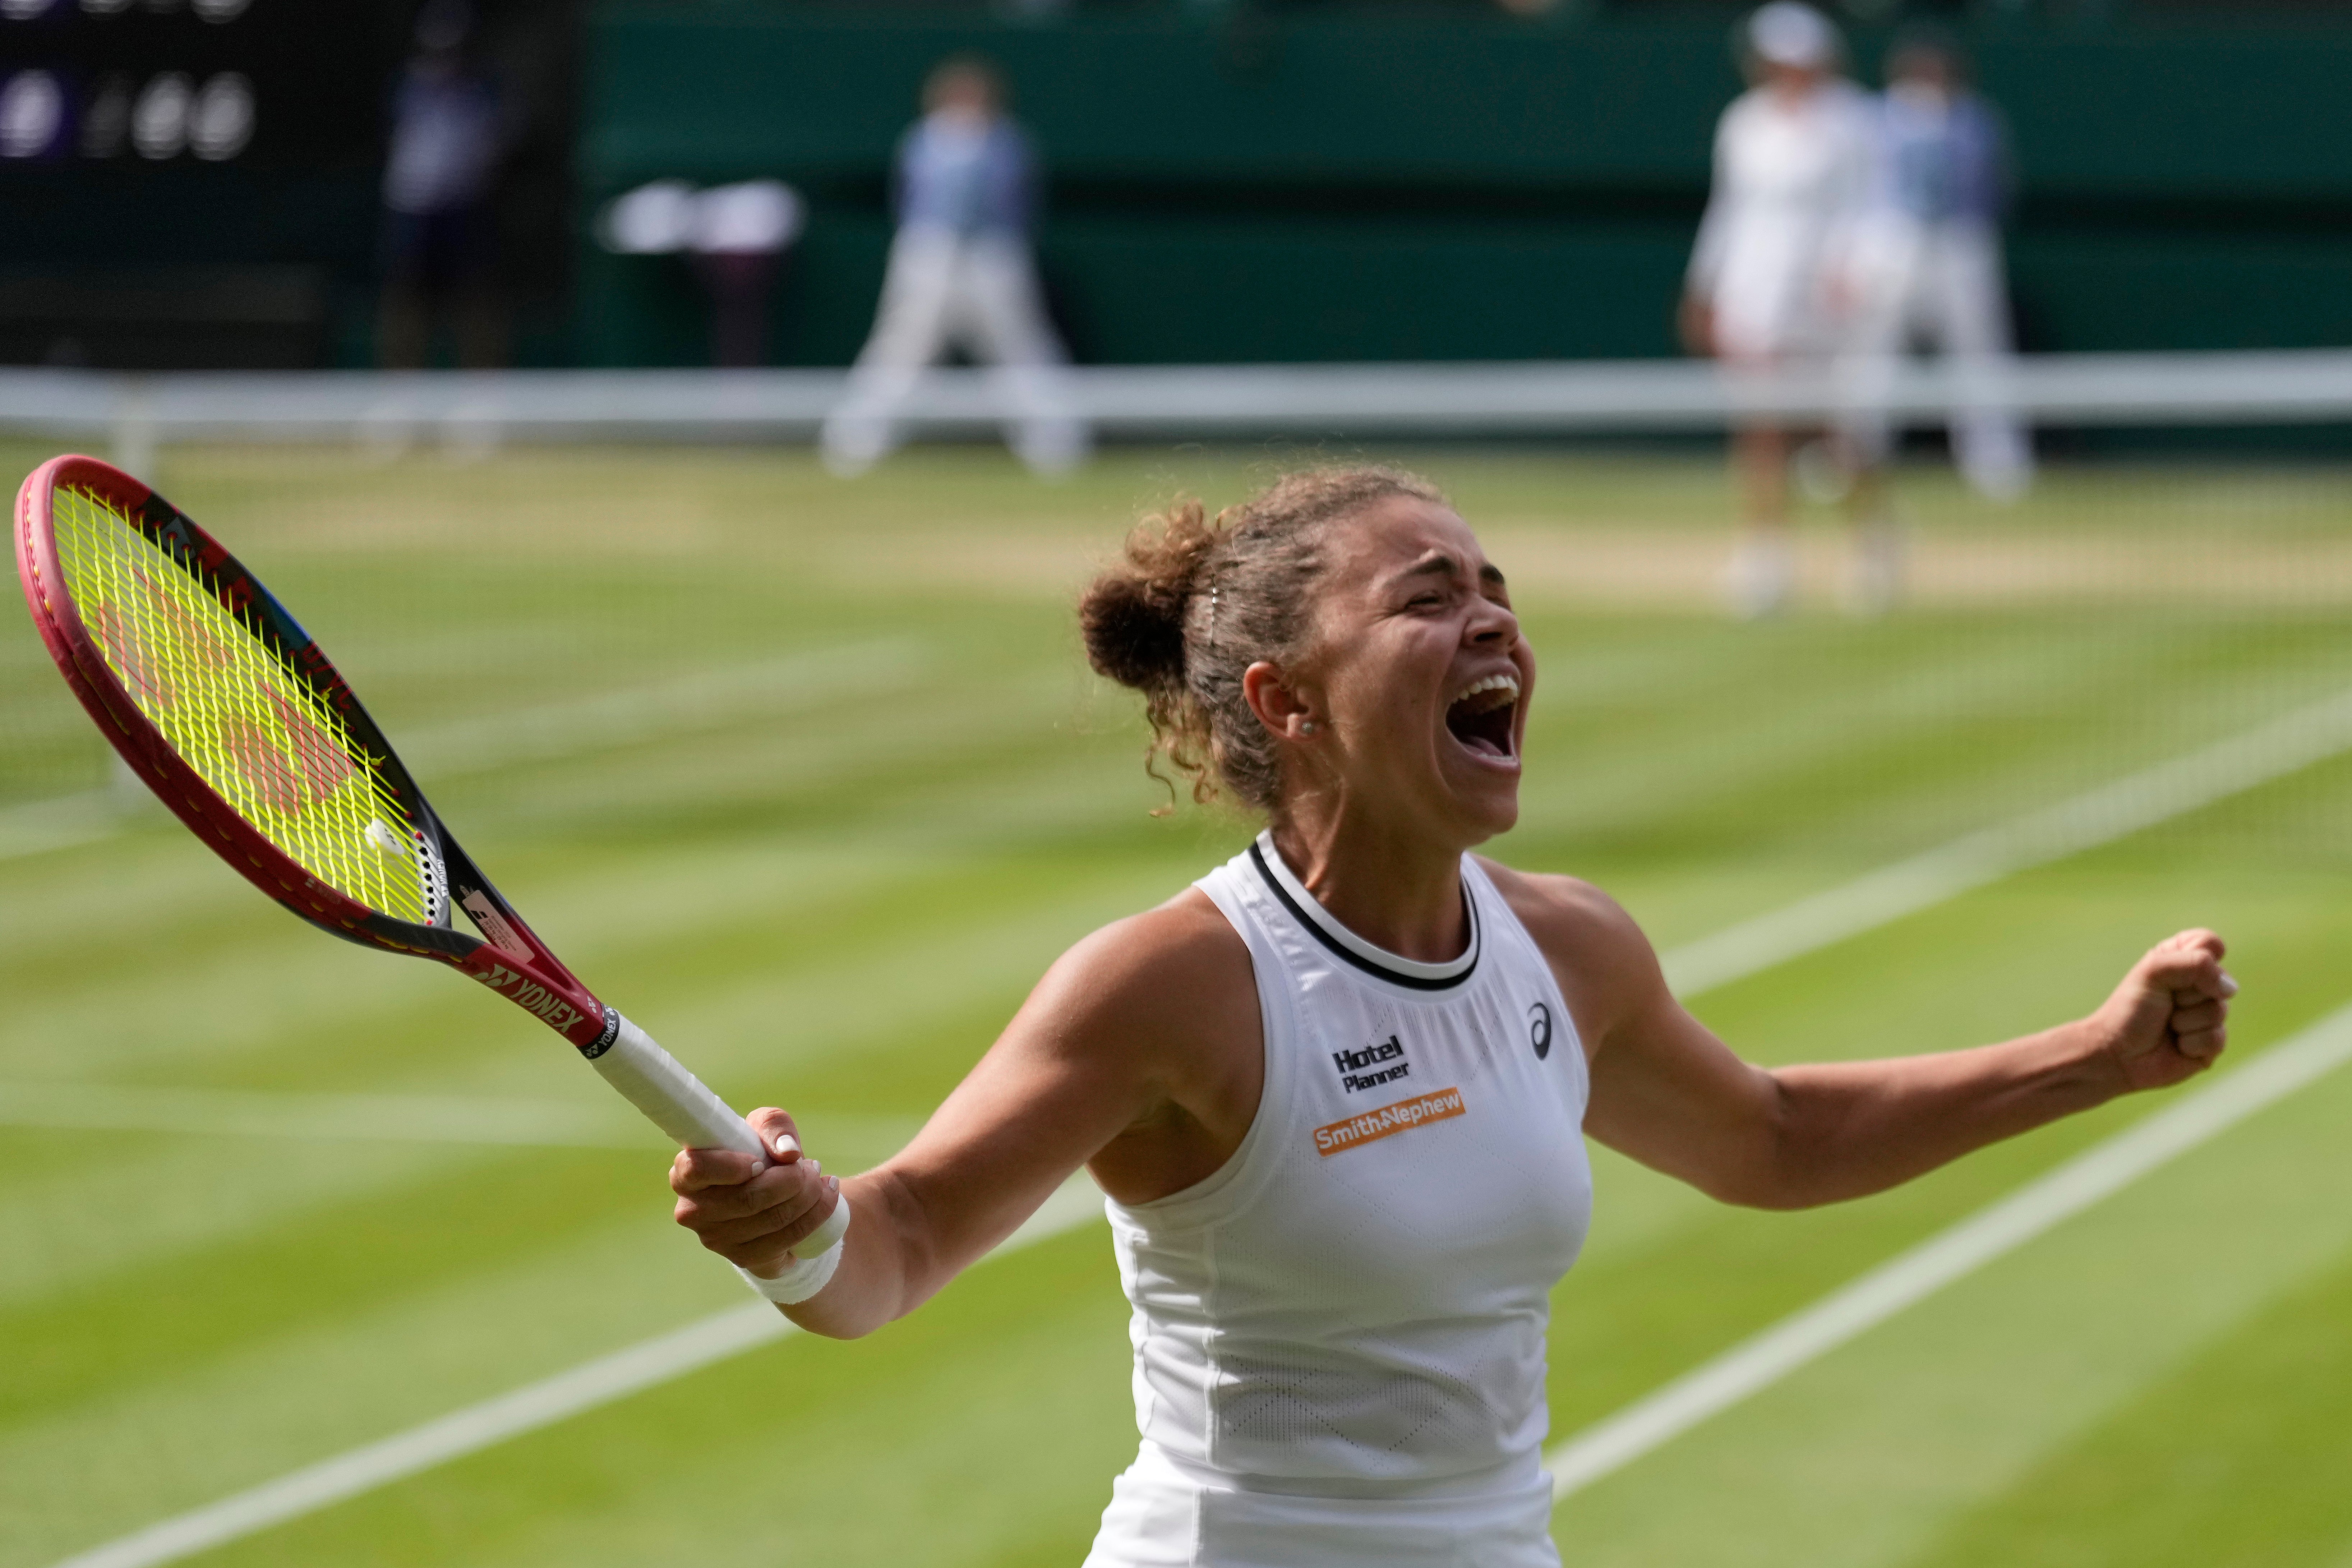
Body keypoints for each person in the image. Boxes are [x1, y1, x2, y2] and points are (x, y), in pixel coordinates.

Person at [668, 466, 2236, 1567]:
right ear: (1286, 700)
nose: (1493, 621)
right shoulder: (1173, 982)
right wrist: (796, 1226)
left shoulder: (1566, 947)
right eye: (1430, 599)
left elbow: (1773, 1135)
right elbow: (898, 1248)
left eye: (1497, 590)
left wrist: (2092, 1056)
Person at [1680, 3, 1880, 617]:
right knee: (1759, 427)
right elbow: (1729, 211)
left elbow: (1869, 207)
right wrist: (1704, 286)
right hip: (1754, 291)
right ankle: (1768, 560)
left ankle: (1873, 541)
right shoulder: (1743, 123)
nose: (1783, 69)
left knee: (1831, 432)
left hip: (1825, 297)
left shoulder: (1854, 122)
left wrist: (1853, 271)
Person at [820, 56, 1089, 478]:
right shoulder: (923, 140)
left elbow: (1019, 203)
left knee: (1020, 346)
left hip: (993, 256)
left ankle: (1057, 444)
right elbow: (908, 201)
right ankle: (854, 442)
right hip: (931, 253)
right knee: (902, 347)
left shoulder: (1007, 142)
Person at [1837, 30, 2034, 506]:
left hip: (1960, 245)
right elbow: (1852, 191)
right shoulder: (1871, 120)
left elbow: (1994, 189)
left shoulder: (1976, 121)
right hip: (1888, 245)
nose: (1928, 81)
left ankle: (1997, 464)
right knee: (1869, 358)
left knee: (1980, 354)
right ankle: (1854, 459)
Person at [376, 0, 507, 370]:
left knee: (475, 300)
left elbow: (498, 143)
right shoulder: (406, 88)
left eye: (454, 50)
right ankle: (398, 394)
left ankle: (483, 396)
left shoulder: (483, 92)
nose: (445, 60)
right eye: (438, 50)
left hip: (465, 207)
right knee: (405, 300)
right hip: (412, 207)